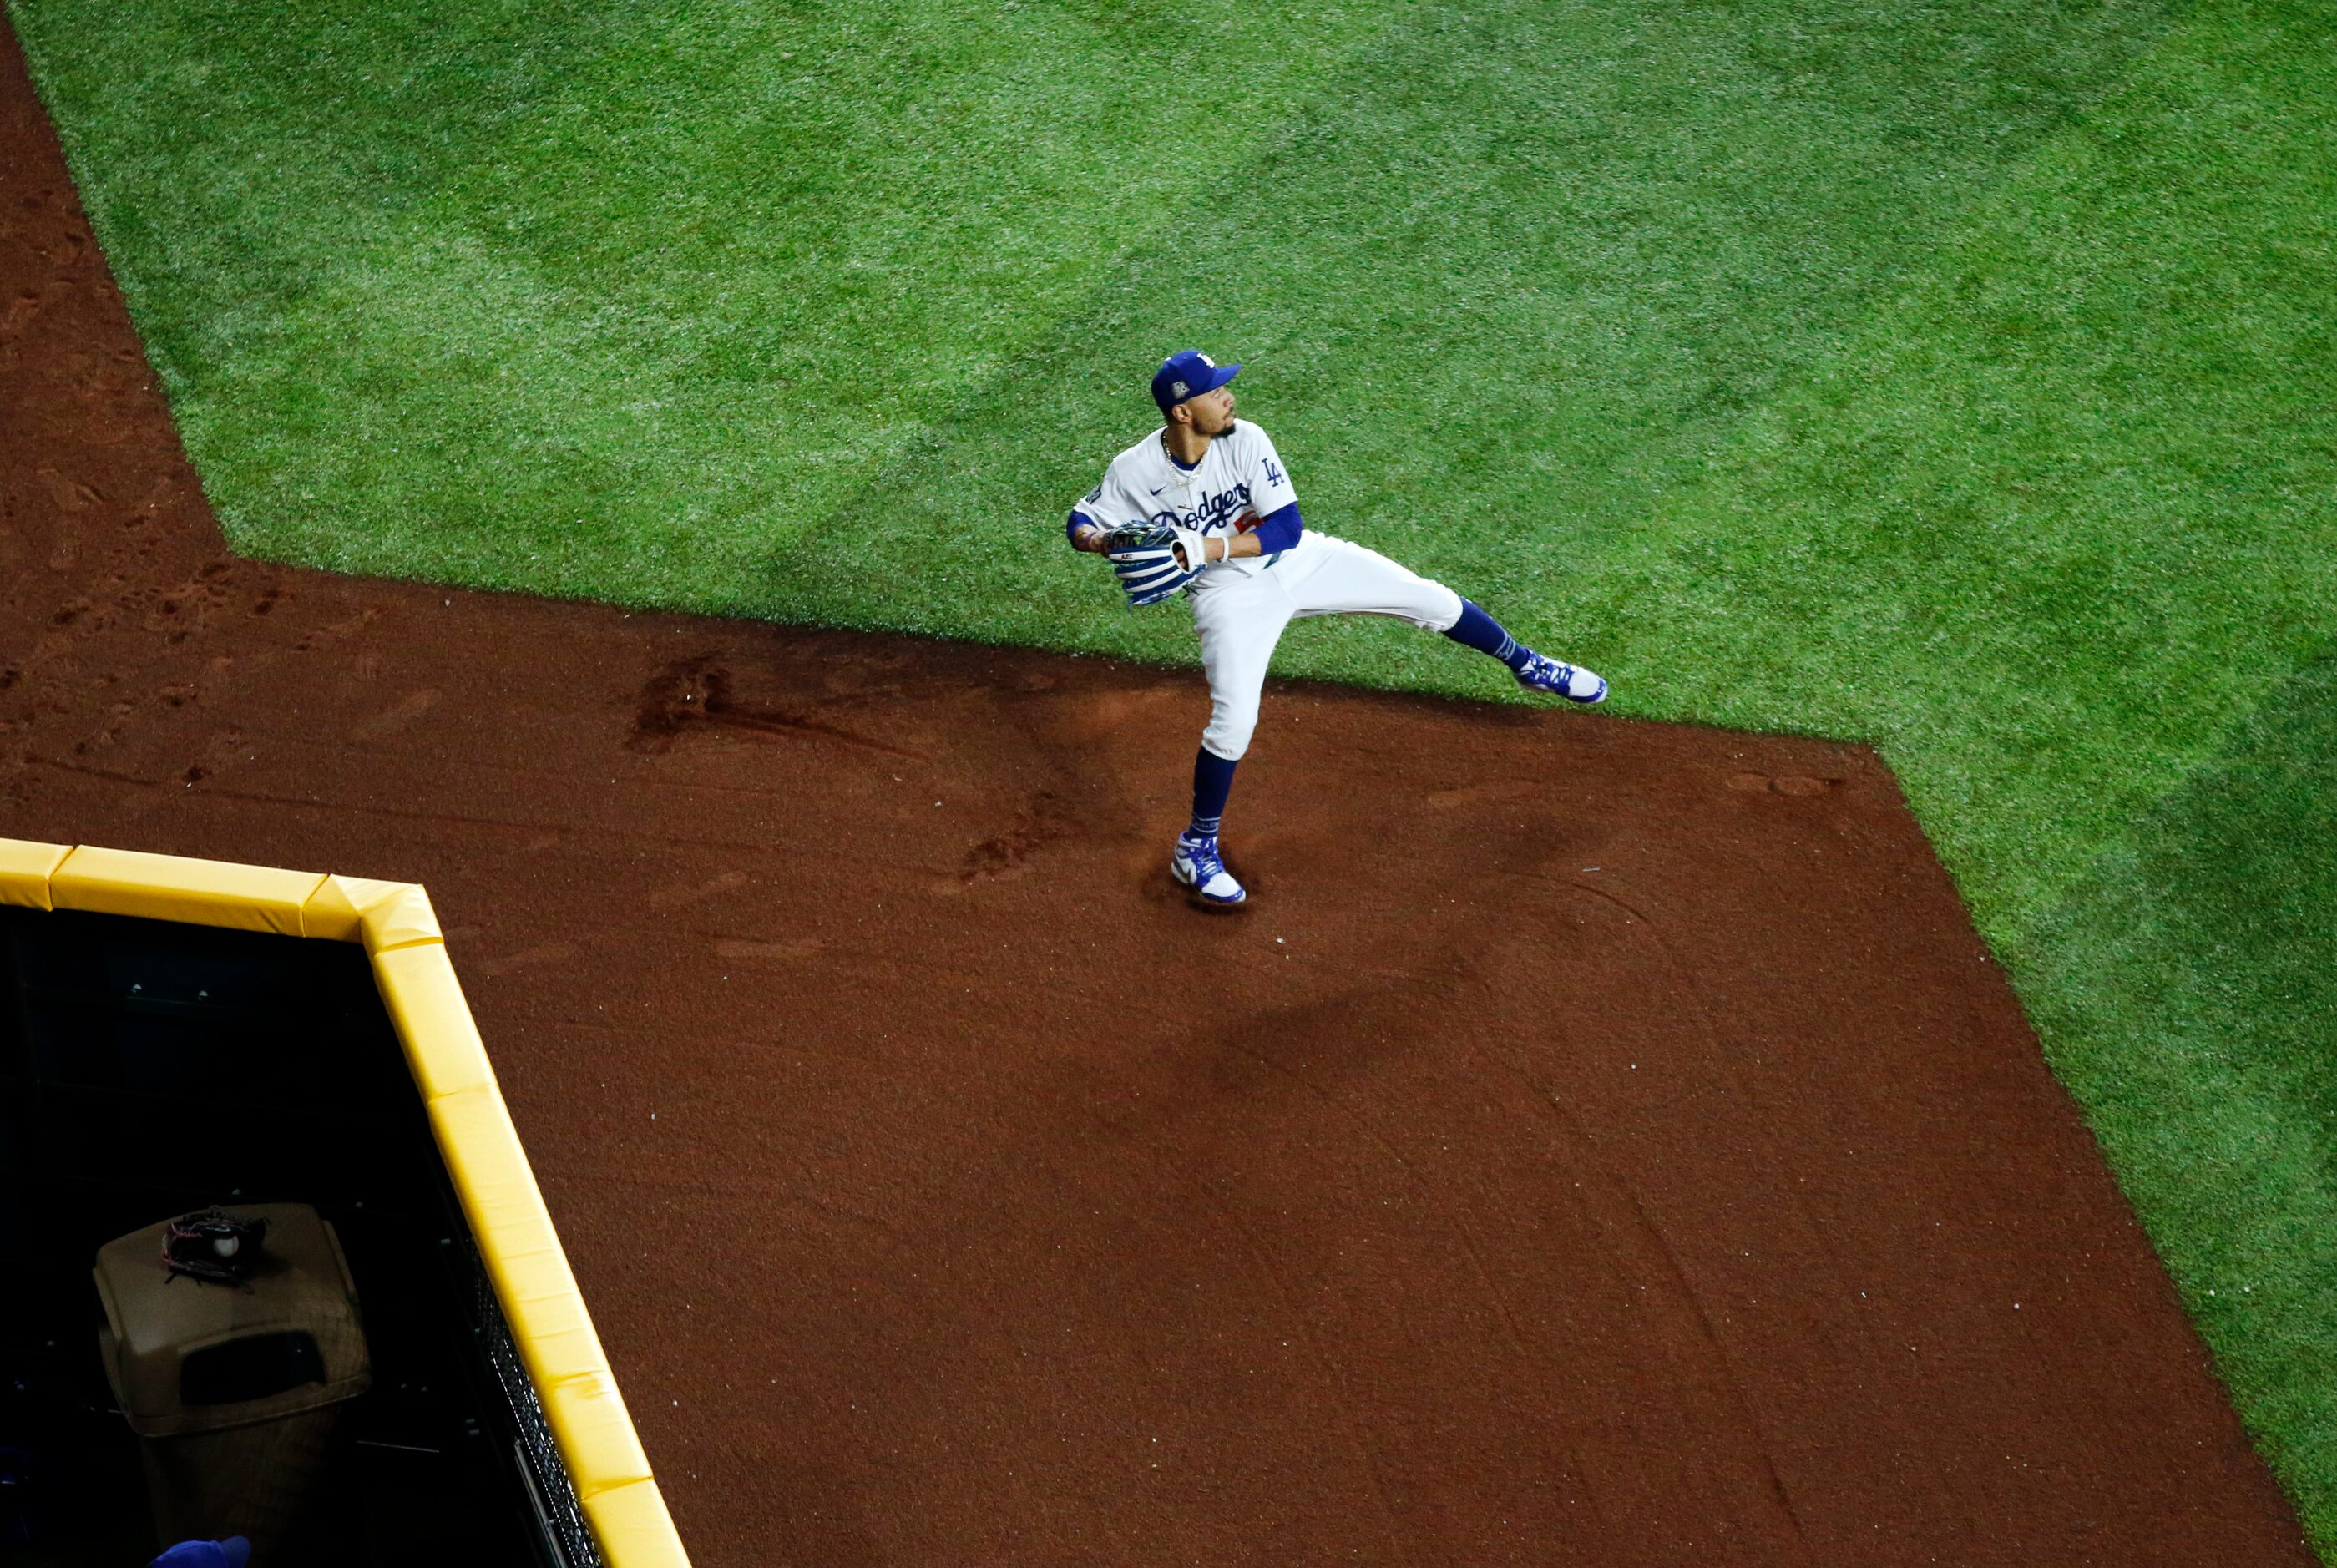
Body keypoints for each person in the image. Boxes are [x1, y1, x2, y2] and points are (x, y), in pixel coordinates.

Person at [1068, 350, 1608, 906]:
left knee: (1429, 600)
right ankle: (1196, 848)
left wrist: (1210, 546)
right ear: (1182, 413)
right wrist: (1102, 541)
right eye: (1214, 391)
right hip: (1228, 595)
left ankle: (1527, 666)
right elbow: (1080, 521)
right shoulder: (1135, 470)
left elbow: (1286, 529)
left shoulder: (1245, 438)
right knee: (1233, 722)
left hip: (1302, 562)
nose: (1228, 396)